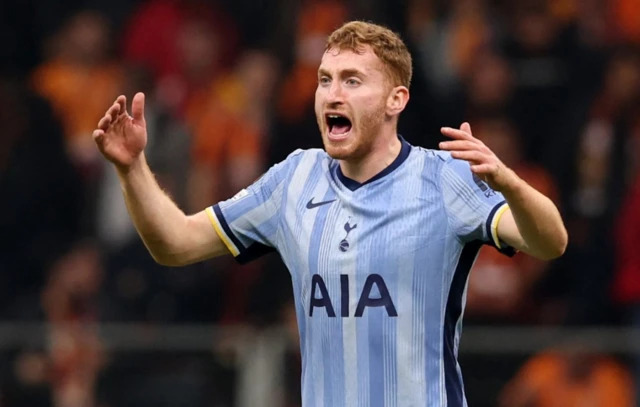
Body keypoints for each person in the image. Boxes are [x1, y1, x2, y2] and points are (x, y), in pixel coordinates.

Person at [93, 21, 567, 407]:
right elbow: (175, 244)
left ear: (395, 100)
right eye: (325, 80)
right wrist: (132, 168)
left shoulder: (444, 178)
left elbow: (550, 243)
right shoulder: (293, 179)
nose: (332, 94)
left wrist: (506, 180)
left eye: (352, 81)